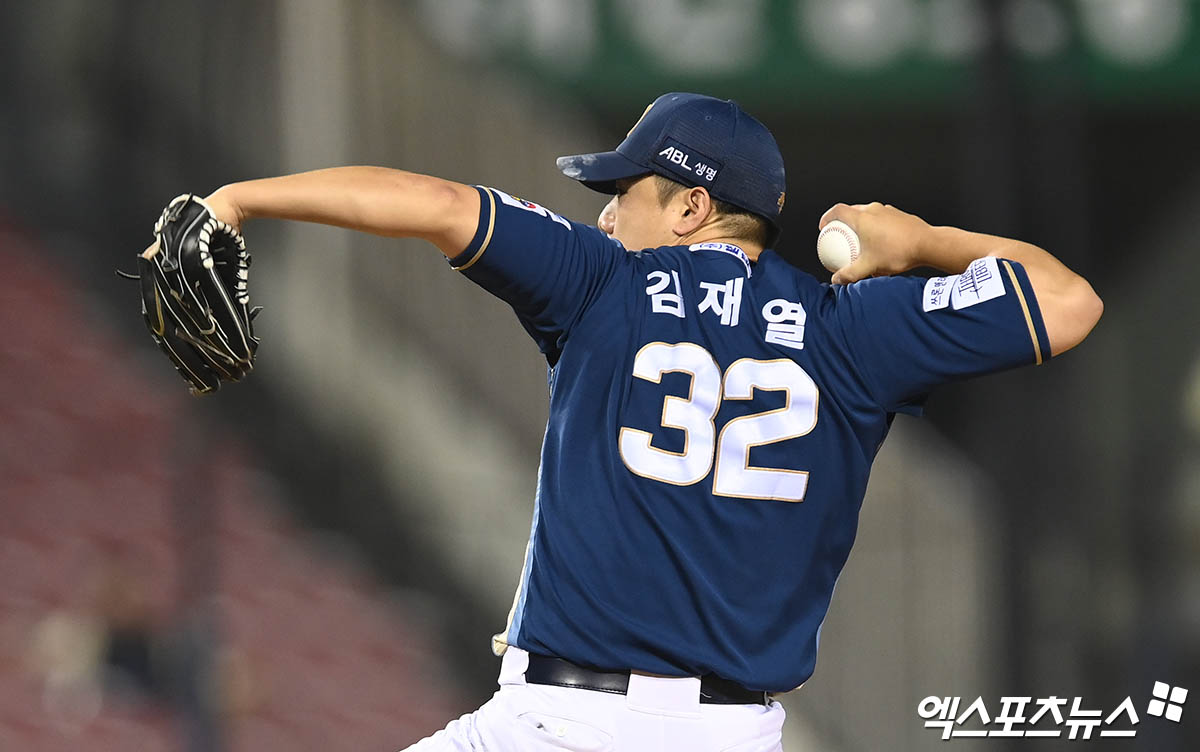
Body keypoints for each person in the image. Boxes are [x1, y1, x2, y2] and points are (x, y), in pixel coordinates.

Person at [185, 92, 1102, 751]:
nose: (609, 209)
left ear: (692, 207)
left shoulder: (601, 280)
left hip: (562, 725)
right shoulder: (851, 329)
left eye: (626, 190)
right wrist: (919, 242)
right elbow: (1065, 301)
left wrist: (240, 200)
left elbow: (435, 206)